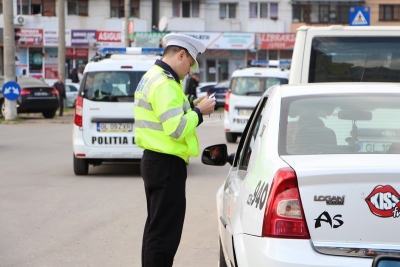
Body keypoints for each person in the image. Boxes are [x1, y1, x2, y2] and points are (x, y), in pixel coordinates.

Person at [134, 33, 216, 267]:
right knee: (164, 234)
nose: (190, 70)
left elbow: (167, 115)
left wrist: (192, 105)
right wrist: (200, 113)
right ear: (181, 54)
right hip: (166, 163)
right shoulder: (165, 84)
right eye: (190, 63)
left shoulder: (153, 77)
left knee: (156, 228)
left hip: (155, 161)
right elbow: (177, 128)